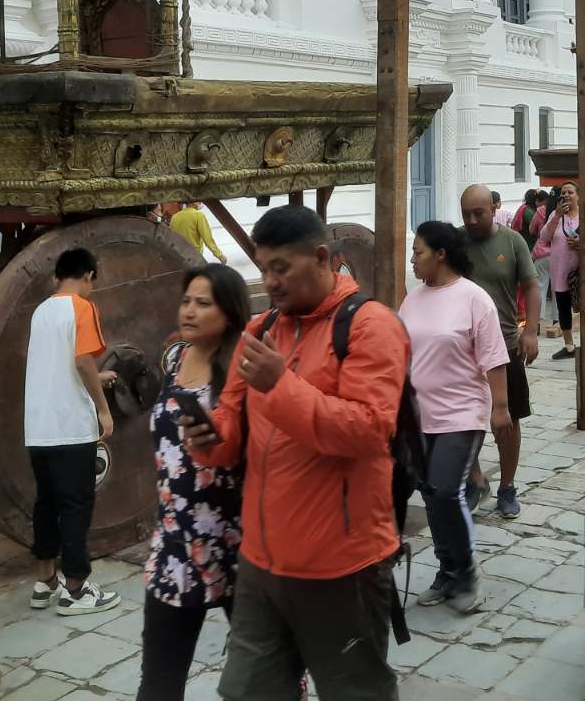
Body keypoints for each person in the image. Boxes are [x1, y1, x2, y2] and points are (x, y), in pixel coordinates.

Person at [183, 205, 408, 701]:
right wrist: (207, 439)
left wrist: (280, 386)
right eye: (264, 268)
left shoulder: (371, 325)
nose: (270, 281)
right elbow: (231, 432)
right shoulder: (262, 330)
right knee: (246, 693)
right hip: (262, 564)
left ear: (322, 257)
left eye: (281, 268)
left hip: (341, 567)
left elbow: (368, 429)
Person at [139, 264, 250, 701]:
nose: (189, 310)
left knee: (266, 676)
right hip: (175, 546)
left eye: (203, 303)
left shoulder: (243, 368)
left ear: (229, 313)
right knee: (160, 682)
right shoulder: (174, 358)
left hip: (237, 544)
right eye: (186, 300)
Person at [400, 222, 510, 613]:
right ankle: (447, 572)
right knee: (431, 493)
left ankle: (465, 571)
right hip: (420, 415)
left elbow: (494, 358)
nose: (413, 259)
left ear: (440, 254)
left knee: (447, 489)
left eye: (418, 252)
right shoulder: (412, 299)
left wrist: (500, 408)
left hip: (462, 413)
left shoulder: (473, 298)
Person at [25, 247, 121, 615]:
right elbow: (81, 360)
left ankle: (45, 582)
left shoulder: (41, 311)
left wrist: (95, 377)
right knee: (77, 504)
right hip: (70, 428)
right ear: (89, 276)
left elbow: (57, 365)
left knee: (46, 503)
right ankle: (77, 589)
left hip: (38, 426)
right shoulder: (82, 307)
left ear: (55, 277)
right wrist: (103, 407)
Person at [462, 183, 542, 518]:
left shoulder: (512, 242)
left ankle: (507, 486)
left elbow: (532, 285)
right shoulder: (455, 242)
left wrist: (532, 331)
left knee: (507, 420)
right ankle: (474, 478)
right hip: (464, 350)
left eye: (478, 213)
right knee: (464, 419)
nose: (471, 220)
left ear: (493, 209)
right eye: (465, 214)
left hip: (506, 345)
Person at [534, 181, 583, 360]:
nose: (566, 196)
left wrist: (581, 243)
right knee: (563, 308)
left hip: (581, 273)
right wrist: (556, 217)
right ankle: (569, 346)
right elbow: (544, 237)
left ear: (578, 196)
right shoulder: (556, 215)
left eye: (570, 192)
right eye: (563, 193)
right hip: (560, 271)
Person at [512, 189, 556, 336]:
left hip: (541, 254)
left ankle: (536, 323)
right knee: (559, 290)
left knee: (540, 288)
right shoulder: (569, 212)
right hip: (560, 254)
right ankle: (557, 322)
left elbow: (532, 230)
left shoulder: (539, 211)